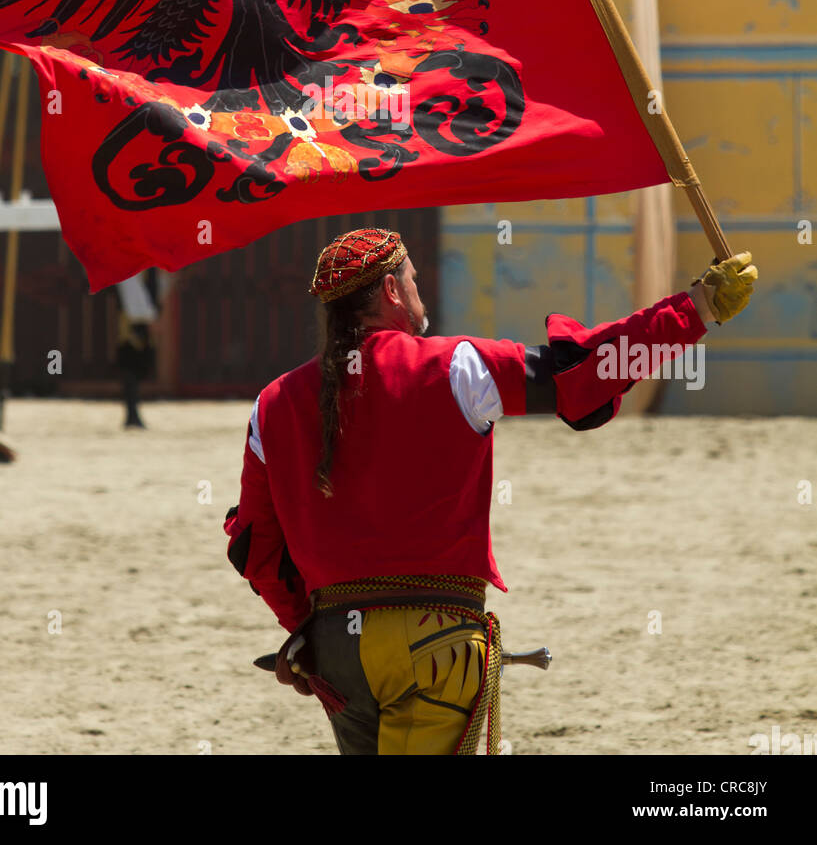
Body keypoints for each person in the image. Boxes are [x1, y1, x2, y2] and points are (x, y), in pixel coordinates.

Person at [224, 227, 757, 755]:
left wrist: (305, 630)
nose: (420, 293)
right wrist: (697, 309)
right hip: (436, 644)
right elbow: (588, 373)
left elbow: (256, 548)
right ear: (390, 291)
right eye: (412, 280)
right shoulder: (458, 366)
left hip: (336, 649)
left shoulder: (270, 404)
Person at [114, 270, 158, 429]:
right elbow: (130, 290)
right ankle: (132, 413)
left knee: (138, 367)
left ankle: (133, 413)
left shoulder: (150, 266)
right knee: (130, 366)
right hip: (133, 319)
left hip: (142, 318)